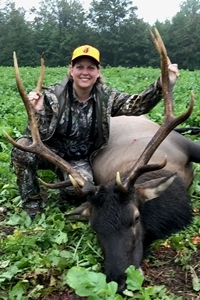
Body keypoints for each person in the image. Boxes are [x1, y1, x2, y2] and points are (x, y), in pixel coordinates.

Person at [11, 44, 180, 218]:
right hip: (51, 152)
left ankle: (64, 184)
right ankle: (32, 204)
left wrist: (162, 84)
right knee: (22, 149)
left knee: (77, 192)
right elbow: (34, 136)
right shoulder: (52, 96)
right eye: (79, 67)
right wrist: (38, 112)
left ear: (98, 71)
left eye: (91, 67)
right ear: (71, 70)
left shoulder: (106, 98)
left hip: (79, 159)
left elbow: (137, 106)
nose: (85, 72)